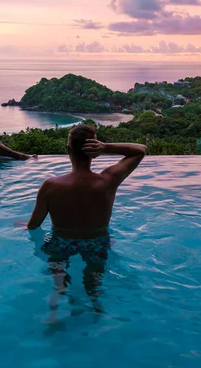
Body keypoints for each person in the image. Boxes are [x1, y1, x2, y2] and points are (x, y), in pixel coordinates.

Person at [23, 124, 146, 315]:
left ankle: (55, 308)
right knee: (94, 281)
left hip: (60, 242)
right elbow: (140, 150)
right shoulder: (108, 180)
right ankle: (95, 306)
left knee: (58, 277)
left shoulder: (51, 185)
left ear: (68, 151)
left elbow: (34, 225)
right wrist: (106, 147)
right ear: (93, 153)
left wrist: (24, 225)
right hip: (97, 242)